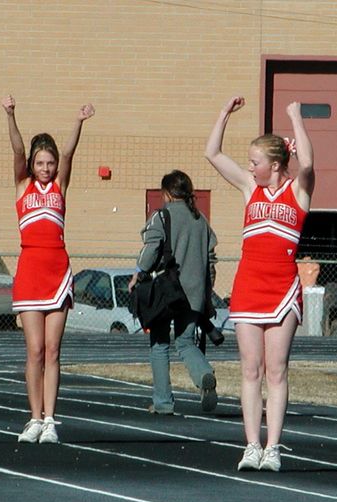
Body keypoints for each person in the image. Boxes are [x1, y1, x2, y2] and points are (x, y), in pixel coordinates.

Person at [205, 96, 315, 471]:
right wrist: (224, 113)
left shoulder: (298, 191)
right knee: (250, 369)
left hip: (283, 288)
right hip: (249, 287)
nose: (250, 167)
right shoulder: (250, 188)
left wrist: (295, 117)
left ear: (276, 165)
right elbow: (212, 153)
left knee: (276, 370)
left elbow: (310, 163)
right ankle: (251, 445)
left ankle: (273, 447)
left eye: (256, 161)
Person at [2, 95, 95, 444]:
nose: (46, 168)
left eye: (50, 163)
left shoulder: (60, 186)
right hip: (29, 273)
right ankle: (34, 418)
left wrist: (79, 121)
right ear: (32, 164)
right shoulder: (23, 186)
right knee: (35, 350)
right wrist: (11, 114)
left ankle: (51, 420)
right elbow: (16, 150)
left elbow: (70, 153)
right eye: (40, 163)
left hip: (57, 272)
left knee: (54, 351)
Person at [128, 170, 219, 415]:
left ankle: (163, 402)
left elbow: (151, 248)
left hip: (166, 291)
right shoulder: (201, 221)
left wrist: (138, 273)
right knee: (186, 342)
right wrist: (207, 294)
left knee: (159, 343)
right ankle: (204, 375)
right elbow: (210, 261)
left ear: (166, 193)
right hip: (194, 293)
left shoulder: (161, 216)